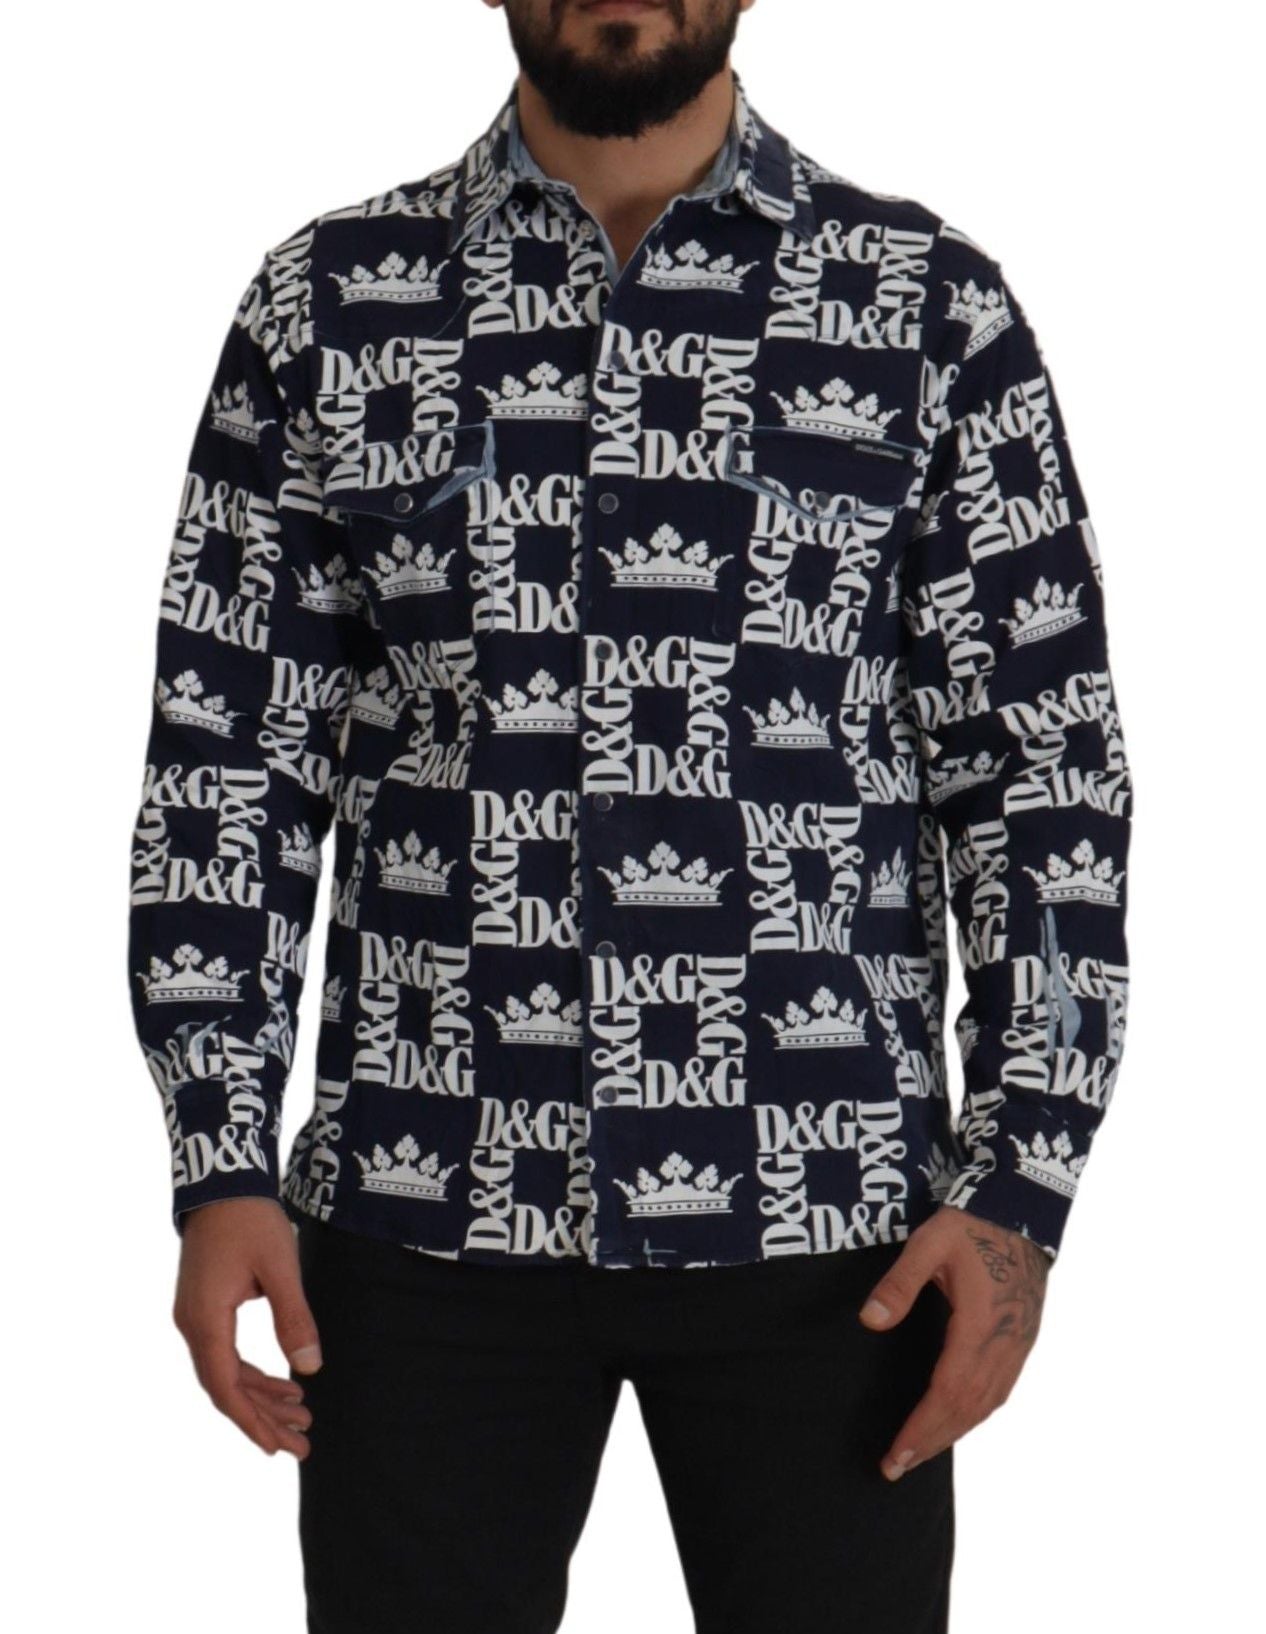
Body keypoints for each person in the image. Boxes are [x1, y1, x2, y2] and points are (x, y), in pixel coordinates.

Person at [125, 2, 1133, 1629]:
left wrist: (1018, 1184)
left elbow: (1037, 771)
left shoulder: (926, 306)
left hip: (832, 1222)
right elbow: (231, 753)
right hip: (422, 1203)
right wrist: (216, 1152)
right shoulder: (328, 302)